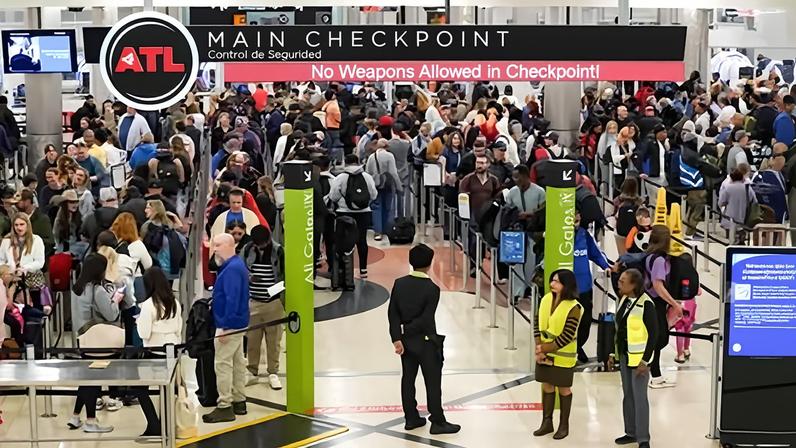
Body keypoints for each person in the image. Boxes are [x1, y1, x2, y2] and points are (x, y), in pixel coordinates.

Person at [388, 244, 460, 435]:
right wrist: (408, 329)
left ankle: (411, 418)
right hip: (427, 342)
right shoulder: (432, 289)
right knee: (432, 382)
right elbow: (426, 318)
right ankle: (437, 421)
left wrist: (397, 337)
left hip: (405, 342)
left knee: (408, 379)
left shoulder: (399, 283)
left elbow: (392, 313)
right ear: (430, 264)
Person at [67, 253, 118, 433]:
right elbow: (111, 314)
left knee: (86, 379)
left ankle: (75, 416)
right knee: (93, 381)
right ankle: (90, 421)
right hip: (97, 340)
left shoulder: (77, 288)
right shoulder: (98, 290)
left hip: (82, 338)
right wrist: (116, 301)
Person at [203, 233, 250, 423]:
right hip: (239, 323)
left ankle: (224, 405)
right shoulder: (236, 266)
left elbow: (231, 299)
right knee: (238, 362)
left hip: (230, 325)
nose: (214, 249)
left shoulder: (231, 269)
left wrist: (225, 326)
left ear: (231, 245)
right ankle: (240, 400)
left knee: (222, 364)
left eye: (218, 245)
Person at [131, 266, 182, 440]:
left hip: (154, 354)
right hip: (172, 352)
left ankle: (154, 424)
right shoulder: (174, 302)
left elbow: (144, 333)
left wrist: (140, 323)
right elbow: (179, 328)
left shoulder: (148, 305)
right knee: (168, 390)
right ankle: (167, 423)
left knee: (141, 389)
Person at [611, 268, 658, 448]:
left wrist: (645, 361)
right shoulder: (623, 299)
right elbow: (619, 328)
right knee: (628, 395)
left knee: (640, 398)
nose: (619, 283)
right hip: (624, 355)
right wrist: (612, 354)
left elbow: (654, 335)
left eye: (623, 282)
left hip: (639, 361)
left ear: (634, 285)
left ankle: (643, 438)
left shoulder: (646, 304)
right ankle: (630, 432)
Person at [534, 269, 582, 440]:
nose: (552, 284)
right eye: (552, 280)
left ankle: (564, 425)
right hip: (544, 352)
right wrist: (538, 345)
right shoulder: (546, 299)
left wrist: (544, 349)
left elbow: (567, 335)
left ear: (566, 285)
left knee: (563, 388)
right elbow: (537, 321)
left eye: (557, 281)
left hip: (562, 355)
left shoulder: (574, 307)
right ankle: (547, 422)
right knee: (546, 385)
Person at [241, 225, 285, 390]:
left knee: (273, 341)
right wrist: (250, 277)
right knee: (252, 340)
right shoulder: (247, 250)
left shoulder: (278, 251)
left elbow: (286, 276)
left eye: (263, 245)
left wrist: (276, 291)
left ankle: (273, 372)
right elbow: (241, 269)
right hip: (254, 302)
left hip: (273, 303)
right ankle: (252, 371)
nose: (260, 248)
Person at [643, 225, 683, 388]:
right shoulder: (659, 260)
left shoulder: (649, 256)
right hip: (655, 302)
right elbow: (658, 285)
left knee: (656, 337)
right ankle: (654, 374)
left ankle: (656, 374)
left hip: (650, 301)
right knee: (659, 338)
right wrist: (674, 304)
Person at [327, 154, 378, 279]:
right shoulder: (367, 177)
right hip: (364, 212)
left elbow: (333, 196)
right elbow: (373, 194)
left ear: (346, 163)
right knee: (362, 241)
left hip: (343, 213)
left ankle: (344, 271)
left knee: (343, 242)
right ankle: (363, 270)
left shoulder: (340, 178)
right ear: (358, 162)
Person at [573, 211, 612, 363]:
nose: (577, 220)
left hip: (584, 287)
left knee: (585, 321)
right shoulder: (560, 236)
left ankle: (578, 346)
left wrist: (606, 266)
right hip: (567, 288)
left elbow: (596, 254)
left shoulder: (584, 235)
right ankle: (569, 350)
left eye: (578, 217)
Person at [504, 165, 545, 296]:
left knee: (531, 262)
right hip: (516, 231)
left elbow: (544, 212)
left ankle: (529, 288)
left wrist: (531, 215)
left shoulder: (540, 192)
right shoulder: (512, 192)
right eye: (513, 177)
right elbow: (507, 211)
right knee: (516, 263)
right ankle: (516, 292)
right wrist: (516, 215)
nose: (515, 180)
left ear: (526, 176)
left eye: (517, 177)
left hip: (534, 232)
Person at [366, 138, 402, 241]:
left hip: (375, 185)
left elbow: (368, 172)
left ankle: (378, 232)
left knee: (376, 207)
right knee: (387, 206)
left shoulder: (371, 157)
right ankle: (386, 228)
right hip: (387, 184)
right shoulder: (389, 156)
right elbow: (393, 173)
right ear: (387, 146)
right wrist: (399, 186)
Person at [719, 168, 757, 243]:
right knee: (741, 239)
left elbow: (721, 202)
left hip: (729, 218)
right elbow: (754, 201)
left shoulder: (727, 188)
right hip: (744, 218)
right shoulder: (747, 188)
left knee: (730, 241)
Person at [15, 189, 54, 258]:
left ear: (27, 201)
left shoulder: (42, 219)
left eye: (19, 202)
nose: (16, 205)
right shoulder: (16, 218)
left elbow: (50, 242)